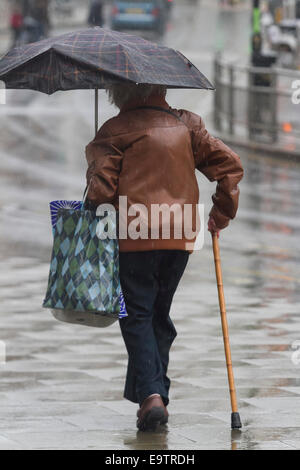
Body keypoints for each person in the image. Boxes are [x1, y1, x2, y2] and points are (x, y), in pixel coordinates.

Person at [85, 83, 244, 431]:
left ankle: (152, 396)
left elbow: (101, 192)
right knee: (158, 312)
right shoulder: (188, 126)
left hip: (134, 235)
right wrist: (221, 213)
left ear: (119, 91)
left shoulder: (115, 129)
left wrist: (96, 170)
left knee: (137, 313)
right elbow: (230, 166)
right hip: (180, 234)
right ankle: (152, 397)